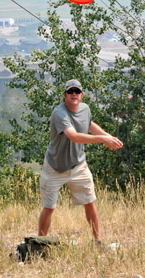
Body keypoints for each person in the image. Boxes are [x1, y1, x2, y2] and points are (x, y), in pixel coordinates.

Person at [37, 78, 123, 243]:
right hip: (55, 167)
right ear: (65, 95)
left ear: (82, 94)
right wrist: (102, 140)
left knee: (90, 202)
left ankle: (97, 240)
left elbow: (89, 124)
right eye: (70, 91)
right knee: (49, 207)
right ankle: (39, 243)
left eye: (77, 91)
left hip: (78, 166)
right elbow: (74, 136)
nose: (74, 94)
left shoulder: (85, 109)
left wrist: (109, 136)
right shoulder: (59, 113)